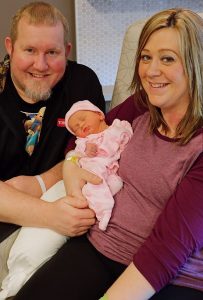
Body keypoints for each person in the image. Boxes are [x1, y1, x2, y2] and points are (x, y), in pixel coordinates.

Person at [12, 7, 203, 300]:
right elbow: (83, 136)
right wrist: (72, 166)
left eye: (167, 58)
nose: (151, 71)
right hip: (100, 246)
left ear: (195, 64)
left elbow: (169, 247)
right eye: (145, 57)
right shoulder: (142, 105)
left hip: (171, 275)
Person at [0, 1, 105, 264]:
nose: (41, 64)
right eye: (30, 50)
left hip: (68, 215)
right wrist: (50, 215)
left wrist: (41, 182)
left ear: (67, 51)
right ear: (10, 47)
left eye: (52, 52)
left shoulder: (82, 83)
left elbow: (98, 150)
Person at [64, 100, 133, 230]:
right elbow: (76, 155)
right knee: (94, 184)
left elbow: (127, 136)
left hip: (112, 169)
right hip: (93, 168)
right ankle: (104, 210)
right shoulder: (84, 141)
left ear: (99, 115)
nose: (81, 125)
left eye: (82, 119)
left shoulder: (117, 127)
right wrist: (85, 149)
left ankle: (98, 205)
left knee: (116, 184)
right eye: (76, 128)